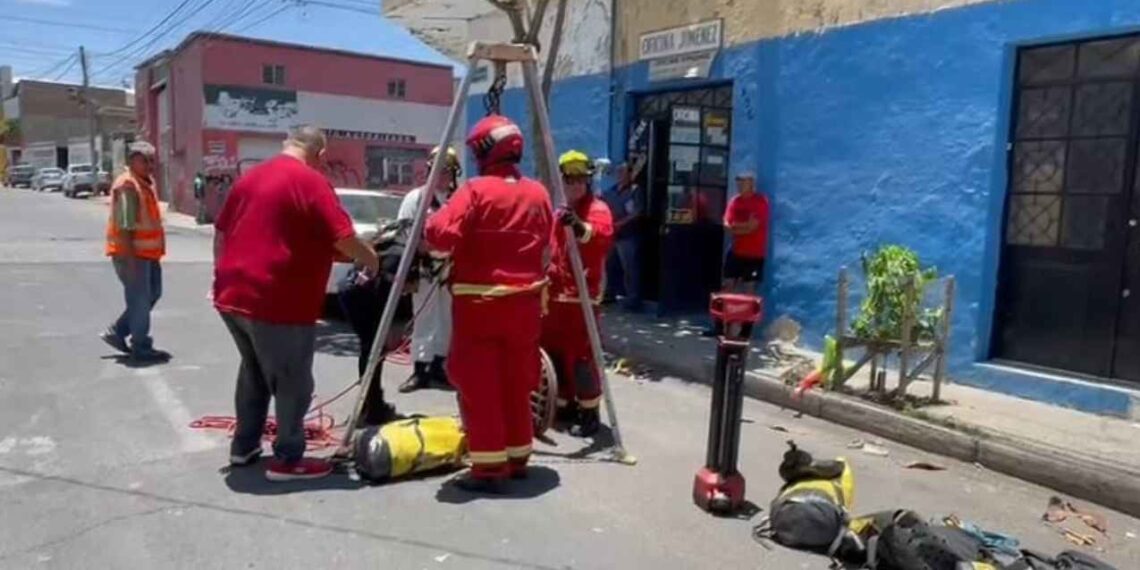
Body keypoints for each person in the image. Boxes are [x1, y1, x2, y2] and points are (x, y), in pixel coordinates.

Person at [212, 125, 380, 482]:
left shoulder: (250, 178)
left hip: (233, 296)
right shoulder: (310, 181)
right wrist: (372, 259)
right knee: (292, 380)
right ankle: (288, 458)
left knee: (255, 371)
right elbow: (345, 237)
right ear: (319, 154)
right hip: (278, 300)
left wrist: (220, 276)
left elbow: (223, 231)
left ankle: (244, 446)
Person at [424, 115, 553, 493]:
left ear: (483, 150)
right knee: (516, 382)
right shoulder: (539, 193)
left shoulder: (475, 190)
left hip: (480, 305)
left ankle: (488, 468)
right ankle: (517, 458)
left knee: (480, 385)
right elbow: (548, 244)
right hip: (526, 306)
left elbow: (440, 236)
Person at [541, 150, 614, 437]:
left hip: (580, 299)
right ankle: (563, 404)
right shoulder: (555, 210)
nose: (574, 185)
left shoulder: (597, 209)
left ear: (588, 181)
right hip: (554, 297)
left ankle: (589, 413)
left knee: (582, 358)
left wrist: (578, 226)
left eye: (579, 180)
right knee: (555, 356)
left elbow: (600, 238)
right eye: (568, 179)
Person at [396, 146, 460, 393]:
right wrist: (425, 248)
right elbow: (405, 230)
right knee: (424, 318)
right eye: (437, 170)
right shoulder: (417, 198)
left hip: (451, 269)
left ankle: (439, 366)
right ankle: (420, 370)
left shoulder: (459, 198)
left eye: (446, 171)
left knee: (447, 319)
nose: (442, 176)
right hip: (424, 268)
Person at [100, 142, 170, 362]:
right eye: (144, 160)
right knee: (140, 300)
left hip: (148, 255)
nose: (150, 165)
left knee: (152, 294)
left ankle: (118, 331)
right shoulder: (128, 185)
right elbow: (125, 227)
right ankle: (140, 346)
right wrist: (130, 261)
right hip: (132, 254)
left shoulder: (145, 183)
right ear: (131, 161)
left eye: (151, 160)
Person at [706, 173, 769, 337]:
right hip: (736, 251)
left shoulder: (760, 201)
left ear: (751, 184)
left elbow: (753, 227)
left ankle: (745, 331)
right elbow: (726, 225)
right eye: (738, 183)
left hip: (754, 254)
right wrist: (741, 227)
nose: (740, 187)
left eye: (743, 183)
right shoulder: (735, 201)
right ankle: (719, 326)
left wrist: (737, 227)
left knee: (749, 293)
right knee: (726, 287)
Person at [603, 163, 645, 311]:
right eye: (618, 171)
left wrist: (621, 223)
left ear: (629, 174)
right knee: (610, 266)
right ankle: (609, 294)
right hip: (612, 235)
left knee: (630, 268)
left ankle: (633, 299)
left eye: (623, 172)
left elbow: (638, 211)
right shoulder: (611, 191)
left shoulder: (635, 191)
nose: (620, 174)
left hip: (628, 235)